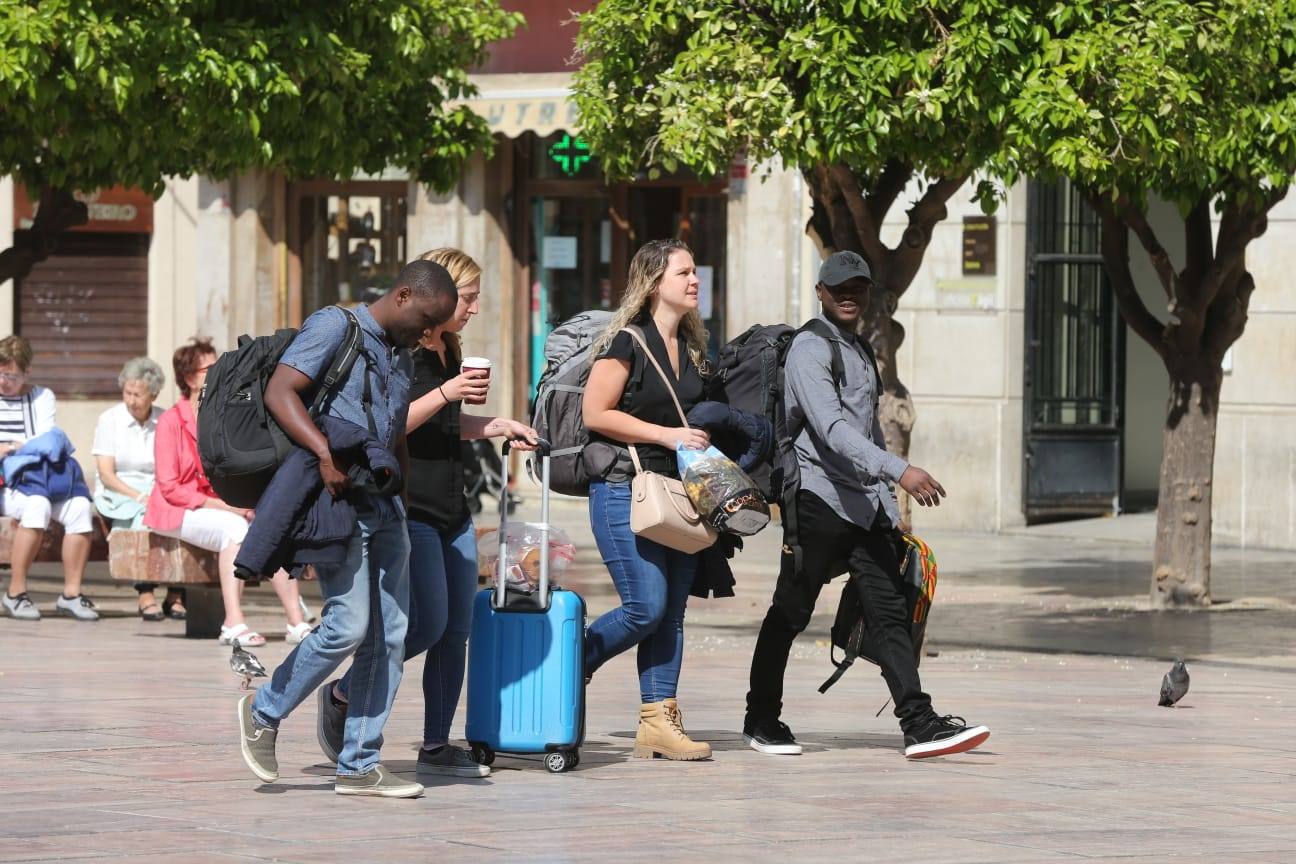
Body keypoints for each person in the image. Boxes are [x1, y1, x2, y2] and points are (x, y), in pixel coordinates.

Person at [743, 251, 991, 760]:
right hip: (815, 501)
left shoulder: (860, 351)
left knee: (890, 612)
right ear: (820, 292)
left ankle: (918, 723)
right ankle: (761, 718)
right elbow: (831, 431)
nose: (849, 295)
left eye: (858, 287)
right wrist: (901, 471)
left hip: (862, 508)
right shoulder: (811, 350)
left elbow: (868, 429)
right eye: (839, 288)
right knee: (790, 613)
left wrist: (886, 500)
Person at [238, 259, 458, 799]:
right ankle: (264, 710)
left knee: (391, 636)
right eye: (426, 320)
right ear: (402, 295)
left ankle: (360, 763)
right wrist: (323, 455)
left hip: (387, 508)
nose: (429, 335)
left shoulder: (402, 355)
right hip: (339, 499)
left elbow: (395, 432)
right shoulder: (335, 326)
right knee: (348, 625)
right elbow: (281, 392)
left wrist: (401, 497)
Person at [316, 248, 539, 778]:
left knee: (455, 630)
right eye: (469, 298)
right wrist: (447, 392)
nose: (474, 309)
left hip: (453, 507)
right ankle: (345, 693)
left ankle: (436, 744)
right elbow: (392, 423)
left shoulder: (450, 349)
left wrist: (493, 424)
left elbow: (444, 424)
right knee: (426, 623)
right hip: (410, 503)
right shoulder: (402, 349)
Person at [582, 239, 714, 762]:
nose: (694, 280)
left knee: (671, 614)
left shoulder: (694, 348)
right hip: (623, 488)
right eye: (684, 272)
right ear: (655, 282)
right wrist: (667, 436)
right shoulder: (626, 342)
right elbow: (596, 412)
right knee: (645, 607)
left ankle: (658, 721)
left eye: (695, 271)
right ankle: (573, 661)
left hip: (679, 497)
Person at [145, 339, 307, 646]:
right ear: (191, 377)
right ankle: (232, 622)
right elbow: (169, 487)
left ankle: (297, 623)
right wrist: (228, 508)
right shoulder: (170, 421)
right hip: (173, 510)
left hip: (215, 506)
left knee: (270, 525)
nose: (221, 371)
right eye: (211, 368)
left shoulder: (220, 416)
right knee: (233, 529)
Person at [0, 335, 98, 621]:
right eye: (0, 374)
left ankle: (71, 594)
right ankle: (16, 592)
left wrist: (13, 448)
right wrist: (27, 446)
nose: (4, 381)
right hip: (7, 485)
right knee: (37, 505)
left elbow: (49, 442)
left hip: (37, 479)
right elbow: (40, 443)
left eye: (11, 375)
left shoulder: (43, 396)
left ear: (27, 372)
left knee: (80, 508)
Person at [93, 356, 185, 621]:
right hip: (120, 490)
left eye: (138, 394)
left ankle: (176, 593)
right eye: (127, 393)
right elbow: (106, 474)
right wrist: (140, 496)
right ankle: (145, 592)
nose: (132, 400)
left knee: (181, 518)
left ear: (153, 394)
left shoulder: (165, 419)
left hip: (159, 487)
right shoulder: (109, 419)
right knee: (143, 517)